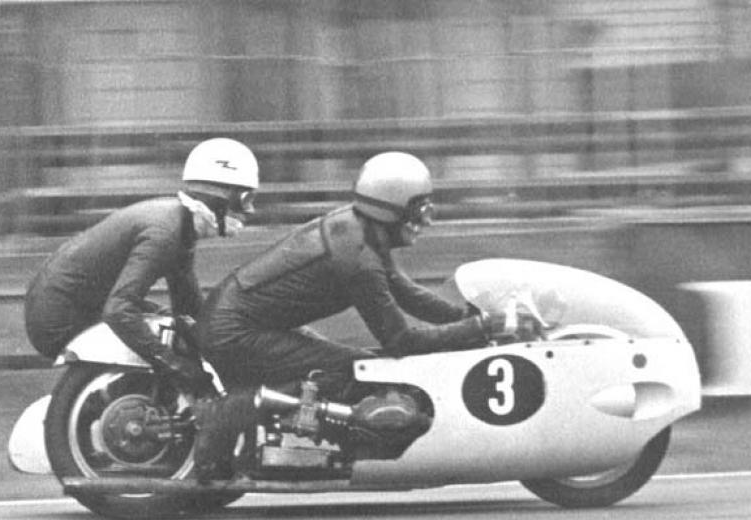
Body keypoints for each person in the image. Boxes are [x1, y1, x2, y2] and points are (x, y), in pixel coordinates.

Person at [192, 151, 522, 480]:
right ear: (392, 210)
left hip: (241, 322)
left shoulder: (360, 228)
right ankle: (228, 414)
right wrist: (478, 327)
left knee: (355, 362)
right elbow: (400, 341)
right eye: (420, 210)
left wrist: (466, 317)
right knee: (353, 370)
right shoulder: (359, 259)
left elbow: (407, 293)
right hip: (234, 332)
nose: (427, 221)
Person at [24, 137, 259, 395]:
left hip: (71, 305)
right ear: (217, 198)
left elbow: (189, 308)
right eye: (244, 198)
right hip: (58, 320)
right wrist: (174, 365)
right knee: (160, 340)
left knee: (169, 328)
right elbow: (118, 309)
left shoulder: (180, 228)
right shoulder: (165, 235)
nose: (249, 211)